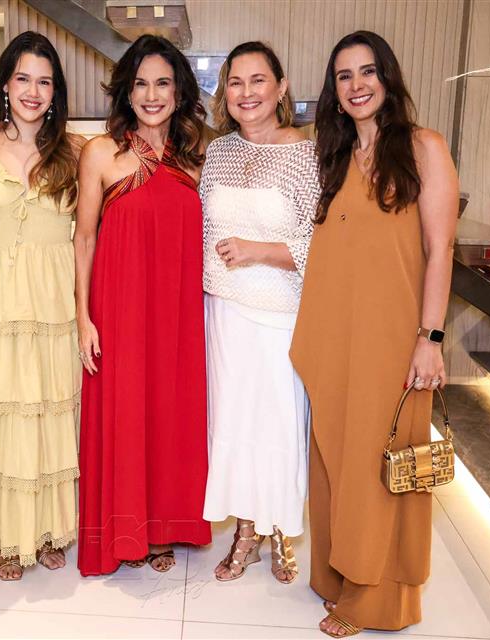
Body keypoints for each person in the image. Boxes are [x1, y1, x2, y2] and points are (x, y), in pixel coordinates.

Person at [290, 30, 459, 637]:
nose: (357, 85)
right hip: (334, 340)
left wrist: (430, 339)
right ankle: (338, 578)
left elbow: (440, 250)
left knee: (380, 464)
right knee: (336, 460)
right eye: (344, 76)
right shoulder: (333, 157)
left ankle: (376, 598)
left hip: (391, 342)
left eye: (367, 72)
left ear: (387, 78)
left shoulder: (422, 147)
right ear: (333, 91)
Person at [74, 34, 211, 576]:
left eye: (163, 84)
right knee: (127, 412)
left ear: (179, 93)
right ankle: (125, 529)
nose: (152, 95)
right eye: (140, 84)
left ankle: (161, 528)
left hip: (177, 313)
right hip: (120, 310)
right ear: (126, 93)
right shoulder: (101, 154)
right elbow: (84, 237)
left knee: (168, 413)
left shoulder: (196, 159)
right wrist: (83, 317)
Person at [0, 31, 84, 581]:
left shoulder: (76, 151)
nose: (33, 91)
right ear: (5, 84)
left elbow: (89, 236)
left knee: (53, 414)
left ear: (56, 92)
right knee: (4, 417)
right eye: (23, 78)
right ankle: (9, 538)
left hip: (55, 306)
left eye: (45, 82)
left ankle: (50, 529)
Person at [201, 41, 319, 584]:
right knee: (233, 422)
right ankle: (246, 531)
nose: (246, 93)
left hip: (280, 315)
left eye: (257, 81)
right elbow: (202, 231)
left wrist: (258, 251)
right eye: (235, 82)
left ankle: (280, 529)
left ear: (281, 87)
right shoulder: (218, 152)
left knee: (277, 424)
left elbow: (320, 246)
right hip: (223, 312)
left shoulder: (307, 155)